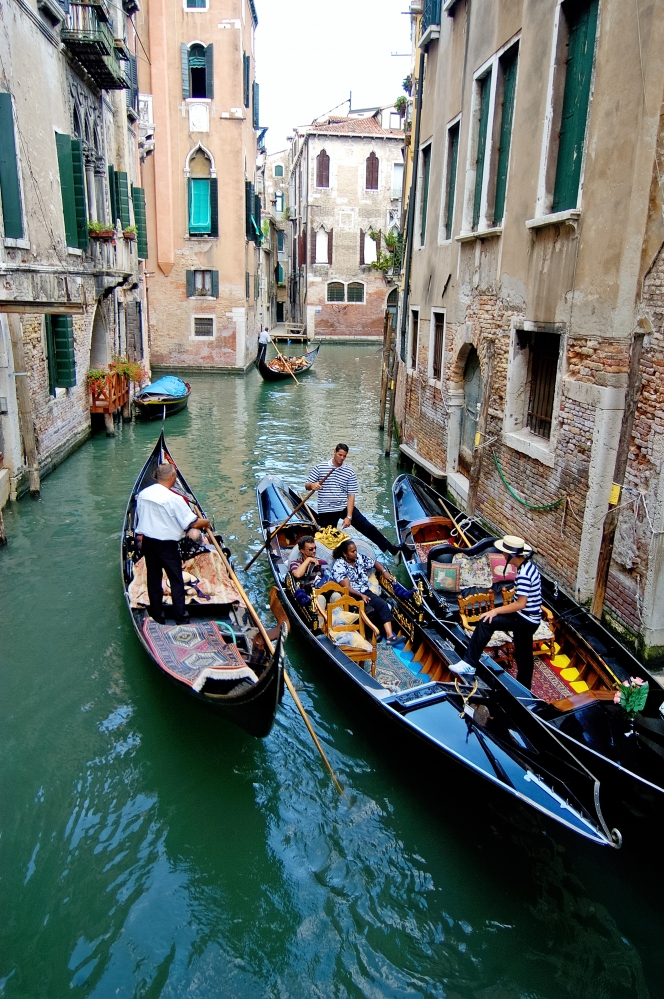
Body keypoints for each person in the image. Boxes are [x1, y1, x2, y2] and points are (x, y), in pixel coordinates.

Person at [453, 535, 542, 689]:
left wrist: (495, 611)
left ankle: (469, 663)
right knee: (523, 654)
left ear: (510, 555)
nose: (502, 555)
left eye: (504, 553)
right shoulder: (528, 567)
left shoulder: (524, 574)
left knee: (486, 621)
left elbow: (520, 604)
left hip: (525, 619)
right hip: (532, 618)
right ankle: (525, 690)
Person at [135, 462, 211, 625]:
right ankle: (181, 618)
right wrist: (206, 522)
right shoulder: (174, 498)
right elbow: (192, 523)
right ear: (172, 477)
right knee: (176, 580)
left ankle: (157, 617)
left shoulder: (143, 493)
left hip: (148, 543)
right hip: (167, 546)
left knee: (153, 579)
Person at [306, 444, 402, 556]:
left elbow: (351, 495)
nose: (342, 458)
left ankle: (392, 550)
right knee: (328, 540)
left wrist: (349, 516)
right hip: (326, 509)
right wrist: (313, 485)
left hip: (344, 506)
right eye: (340, 455)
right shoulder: (320, 467)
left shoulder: (349, 471)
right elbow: (307, 485)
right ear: (334, 452)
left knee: (367, 527)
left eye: (344, 456)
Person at [331, 538, 401, 644]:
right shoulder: (339, 566)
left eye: (356, 550)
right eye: (353, 551)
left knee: (383, 605)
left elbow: (374, 563)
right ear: (345, 554)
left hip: (365, 591)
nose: (356, 553)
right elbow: (346, 588)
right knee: (370, 611)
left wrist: (384, 571)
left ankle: (390, 636)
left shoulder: (359, 558)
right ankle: (368, 639)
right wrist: (361, 595)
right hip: (351, 595)